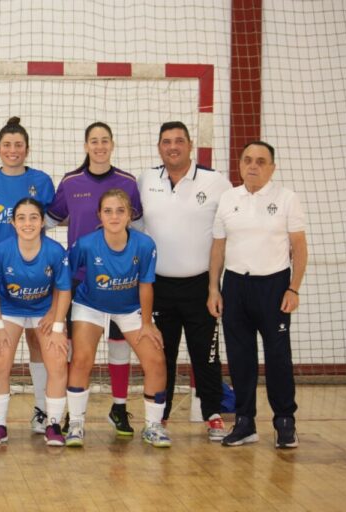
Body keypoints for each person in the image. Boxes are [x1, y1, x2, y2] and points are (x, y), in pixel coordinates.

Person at [208, 141, 307, 449]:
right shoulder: (227, 199)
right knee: (240, 358)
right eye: (248, 160)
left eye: (261, 161)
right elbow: (218, 247)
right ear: (240, 165)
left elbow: (299, 248)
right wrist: (214, 287)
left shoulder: (287, 199)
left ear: (272, 168)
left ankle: (284, 421)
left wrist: (294, 288)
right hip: (236, 285)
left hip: (274, 287)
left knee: (278, 357)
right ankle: (245, 422)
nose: (253, 165)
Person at [46, 122, 142, 436]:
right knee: (77, 351)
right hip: (80, 279)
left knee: (119, 345)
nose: (99, 146)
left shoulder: (127, 182)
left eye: (104, 141)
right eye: (93, 141)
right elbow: (50, 218)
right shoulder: (71, 181)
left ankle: (119, 407)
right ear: (86, 146)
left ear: (112, 145)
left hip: (120, 280)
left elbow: (138, 225)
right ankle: (75, 417)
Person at [138, 121, 232, 440]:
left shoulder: (216, 182)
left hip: (201, 287)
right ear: (159, 147)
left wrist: (214, 287)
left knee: (204, 354)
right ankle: (158, 417)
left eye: (179, 141)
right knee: (160, 354)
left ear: (191, 145)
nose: (173, 146)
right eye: (166, 141)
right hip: (158, 286)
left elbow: (225, 233)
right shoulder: (146, 180)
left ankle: (213, 414)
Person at [65, 189, 170, 448]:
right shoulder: (87, 244)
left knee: (156, 358)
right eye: (108, 211)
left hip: (130, 308)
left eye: (120, 211)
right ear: (99, 215)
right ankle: (76, 423)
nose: (114, 216)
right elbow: (65, 278)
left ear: (130, 215)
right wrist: (57, 318)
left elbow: (146, 285)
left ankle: (153, 426)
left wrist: (147, 323)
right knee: (80, 359)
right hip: (90, 306)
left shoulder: (145, 245)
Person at [0, 117, 56, 434]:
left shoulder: (42, 181)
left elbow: (48, 221)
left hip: (36, 277)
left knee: (38, 343)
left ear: (27, 149)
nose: (12, 150)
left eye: (18, 145)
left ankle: (40, 410)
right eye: (7, 145)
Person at [0, 198, 71, 446]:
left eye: (33, 217)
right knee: (0, 361)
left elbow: (63, 289)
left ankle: (52, 423)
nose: (28, 223)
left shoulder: (55, 251)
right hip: (10, 309)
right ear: (12, 222)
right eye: (21, 217)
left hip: (45, 310)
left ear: (42, 221)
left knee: (57, 360)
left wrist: (56, 325)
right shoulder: (2, 251)